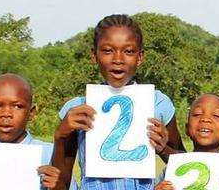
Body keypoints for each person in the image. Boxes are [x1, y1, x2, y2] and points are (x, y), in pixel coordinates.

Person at [52, 14, 185, 190]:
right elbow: (59, 182)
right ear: (94, 55)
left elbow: (183, 162)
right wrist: (60, 136)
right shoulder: (76, 109)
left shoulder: (158, 103)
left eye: (128, 51)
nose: (118, 60)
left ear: (140, 56)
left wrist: (163, 149)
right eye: (108, 50)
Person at [154, 94, 219, 190]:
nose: (205, 119)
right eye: (197, 114)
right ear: (187, 128)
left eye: (216, 115)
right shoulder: (170, 170)